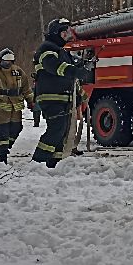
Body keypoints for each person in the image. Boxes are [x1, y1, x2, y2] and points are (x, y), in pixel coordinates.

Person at [31, 18, 84, 168]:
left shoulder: (62, 51)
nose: (66, 35)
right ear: (55, 32)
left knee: (63, 132)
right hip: (51, 97)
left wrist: (81, 67)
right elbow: (52, 66)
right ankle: (38, 161)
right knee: (56, 129)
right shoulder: (47, 48)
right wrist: (75, 71)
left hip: (63, 97)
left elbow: (71, 68)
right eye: (63, 32)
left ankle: (52, 164)